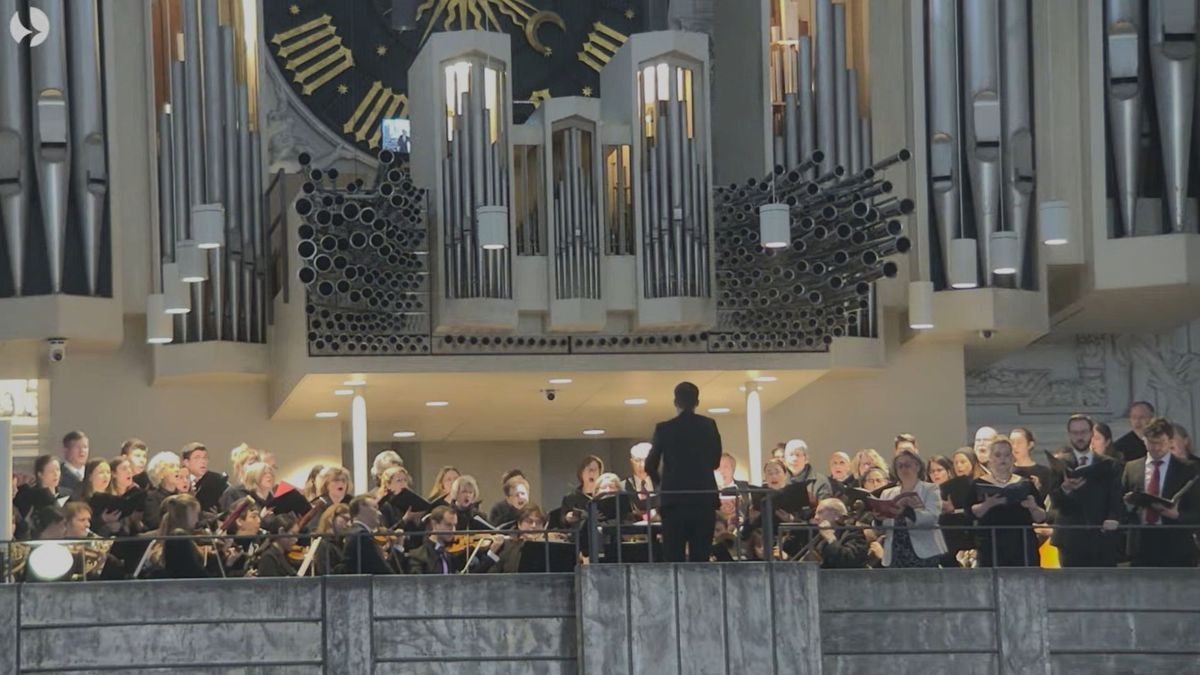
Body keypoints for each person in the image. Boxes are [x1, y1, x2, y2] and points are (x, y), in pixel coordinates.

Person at [645, 381, 722, 563]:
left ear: (675, 402)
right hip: (703, 499)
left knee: (673, 557)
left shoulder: (664, 428)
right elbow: (715, 461)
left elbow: (650, 465)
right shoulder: (708, 425)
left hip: (674, 500)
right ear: (697, 402)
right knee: (701, 557)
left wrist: (661, 485)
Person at [1120, 418, 1200, 567]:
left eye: (1161, 443)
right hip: (1141, 544)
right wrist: (1129, 504)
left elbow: (1197, 510)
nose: (1156, 448)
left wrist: (1177, 515)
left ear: (1170, 441)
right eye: (1151, 443)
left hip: (1176, 545)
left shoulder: (1188, 469)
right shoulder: (1132, 468)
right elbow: (1120, 503)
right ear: (1144, 441)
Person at [1047, 414, 1123, 567]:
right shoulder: (1059, 462)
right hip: (1070, 537)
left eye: (1083, 432)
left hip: (1101, 536)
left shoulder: (1109, 464)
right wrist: (1065, 488)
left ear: (1091, 434)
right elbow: (1055, 500)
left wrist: (1114, 518)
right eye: (1075, 433)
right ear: (1069, 435)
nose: (1079, 437)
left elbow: (1116, 498)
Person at [970, 436, 1045, 567]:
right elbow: (970, 513)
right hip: (991, 544)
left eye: (1006, 455)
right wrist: (988, 504)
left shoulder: (1025, 484)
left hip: (1022, 544)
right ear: (990, 458)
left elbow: (1041, 517)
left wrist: (1033, 507)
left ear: (1012, 458)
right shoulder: (977, 484)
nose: (1002, 459)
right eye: (998, 455)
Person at [877, 450, 945, 568]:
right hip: (895, 551)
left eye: (907, 465)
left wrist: (907, 511)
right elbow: (882, 528)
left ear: (917, 467)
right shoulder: (887, 493)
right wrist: (878, 519)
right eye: (900, 466)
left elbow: (933, 517)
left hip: (924, 551)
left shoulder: (930, 489)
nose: (904, 469)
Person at [157, 493, 209, 579]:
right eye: (195, 514)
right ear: (185, 516)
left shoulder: (163, 541)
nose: (197, 519)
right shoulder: (179, 541)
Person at [342, 495, 394, 575]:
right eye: (375, 507)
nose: (379, 513)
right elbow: (380, 568)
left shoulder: (356, 532)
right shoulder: (361, 535)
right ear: (362, 508)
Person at [810, 498, 868, 568]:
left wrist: (830, 538)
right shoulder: (816, 535)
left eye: (820, 512)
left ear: (836, 515)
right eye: (815, 513)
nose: (815, 517)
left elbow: (849, 561)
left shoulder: (854, 533)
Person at [406, 505, 462, 574]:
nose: (453, 530)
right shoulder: (418, 556)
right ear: (434, 524)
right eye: (448, 525)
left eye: (455, 525)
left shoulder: (449, 555)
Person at [143, 452, 184, 532]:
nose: (177, 469)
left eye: (177, 466)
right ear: (160, 473)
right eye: (172, 466)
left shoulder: (184, 497)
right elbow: (154, 523)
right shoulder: (152, 498)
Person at [253, 513, 300, 577]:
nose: (296, 539)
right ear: (281, 532)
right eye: (293, 534)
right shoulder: (268, 558)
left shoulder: (283, 555)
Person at [561, 455, 603, 526]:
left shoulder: (604, 495)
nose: (592, 473)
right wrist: (567, 518)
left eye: (595, 470)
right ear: (581, 473)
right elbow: (562, 522)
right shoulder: (570, 498)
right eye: (589, 470)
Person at [1010, 428, 1051, 498]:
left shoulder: (1045, 472)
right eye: (1012, 443)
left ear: (1030, 445)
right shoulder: (1007, 470)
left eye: (1019, 443)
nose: (1015, 446)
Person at [623, 443, 656, 515]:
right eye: (637, 460)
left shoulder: (663, 485)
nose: (642, 465)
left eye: (646, 460)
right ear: (631, 462)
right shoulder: (622, 487)